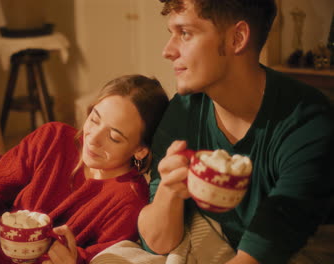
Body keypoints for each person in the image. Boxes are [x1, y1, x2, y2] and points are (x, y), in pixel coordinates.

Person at [136, 0, 334, 264]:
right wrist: (169, 190)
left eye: (185, 33)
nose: (167, 51)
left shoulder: (307, 122)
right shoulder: (183, 110)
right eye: (171, 34)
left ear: (237, 38)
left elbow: (261, 253)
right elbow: (157, 242)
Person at [0, 74, 169, 264]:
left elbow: (100, 258)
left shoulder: (129, 203)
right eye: (95, 119)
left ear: (140, 150)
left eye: (115, 137)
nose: (93, 139)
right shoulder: (53, 137)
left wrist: (75, 261)